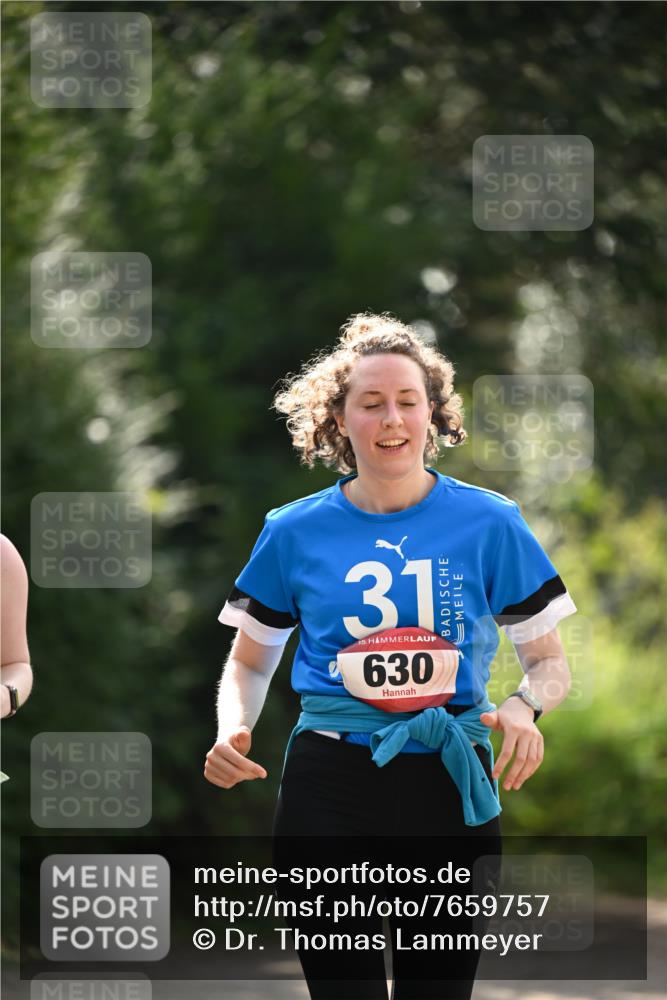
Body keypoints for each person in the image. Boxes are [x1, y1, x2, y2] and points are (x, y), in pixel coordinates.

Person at [205, 313, 576, 999]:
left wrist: (524, 706)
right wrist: (233, 725)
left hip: (449, 777)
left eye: (408, 401)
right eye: (369, 403)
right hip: (329, 782)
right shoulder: (292, 531)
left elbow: (549, 665)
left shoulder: (491, 522)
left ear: (432, 414)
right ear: (337, 419)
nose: (391, 418)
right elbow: (250, 663)